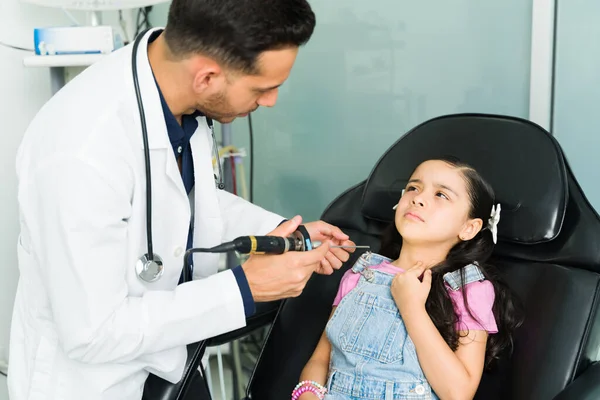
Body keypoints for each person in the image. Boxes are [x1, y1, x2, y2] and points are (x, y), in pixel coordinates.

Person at [8, 0, 356, 399]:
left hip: (172, 360)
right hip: (96, 383)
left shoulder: (176, 96)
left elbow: (189, 199)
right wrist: (245, 288)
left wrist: (274, 232)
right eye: (263, 88)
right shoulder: (80, 151)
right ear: (207, 77)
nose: (272, 100)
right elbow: (93, 332)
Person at [294, 157, 523, 400]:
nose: (418, 198)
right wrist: (307, 395)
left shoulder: (469, 289)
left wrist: (411, 307)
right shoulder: (361, 274)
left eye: (441, 195)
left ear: (469, 228)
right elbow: (321, 359)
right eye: (413, 187)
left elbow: (458, 393)